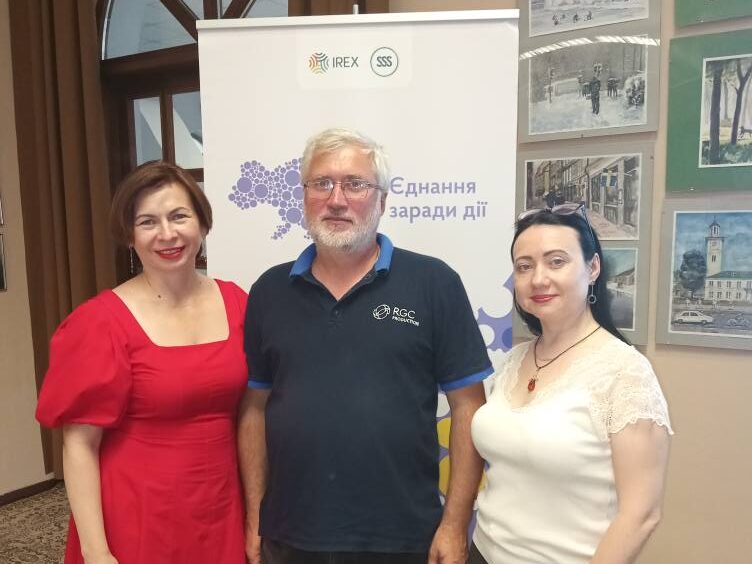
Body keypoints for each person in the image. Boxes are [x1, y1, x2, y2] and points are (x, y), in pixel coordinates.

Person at [239, 128, 492, 564]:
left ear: (382, 200)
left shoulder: (434, 283)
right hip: (290, 536)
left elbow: (469, 406)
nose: (336, 199)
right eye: (322, 183)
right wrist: (254, 517)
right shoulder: (269, 291)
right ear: (304, 196)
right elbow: (254, 410)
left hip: (403, 538)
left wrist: (454, 525)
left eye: (355, 184)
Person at [35, 161, 248, 564]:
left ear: (202, 223)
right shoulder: (99, 323)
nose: (167, 234)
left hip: (220, 509)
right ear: (129, 236)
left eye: (179, 216)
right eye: (148, 222)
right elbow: (79, 444)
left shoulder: (237, 303)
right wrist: (96, 552)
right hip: (137, 515)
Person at [469, 204, 672, 564]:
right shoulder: (514, 360)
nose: (538, 279)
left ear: (593, 268)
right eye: (524, 266)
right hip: (483, 551)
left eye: (556, 262)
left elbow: (641, 515)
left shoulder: (626, 372)